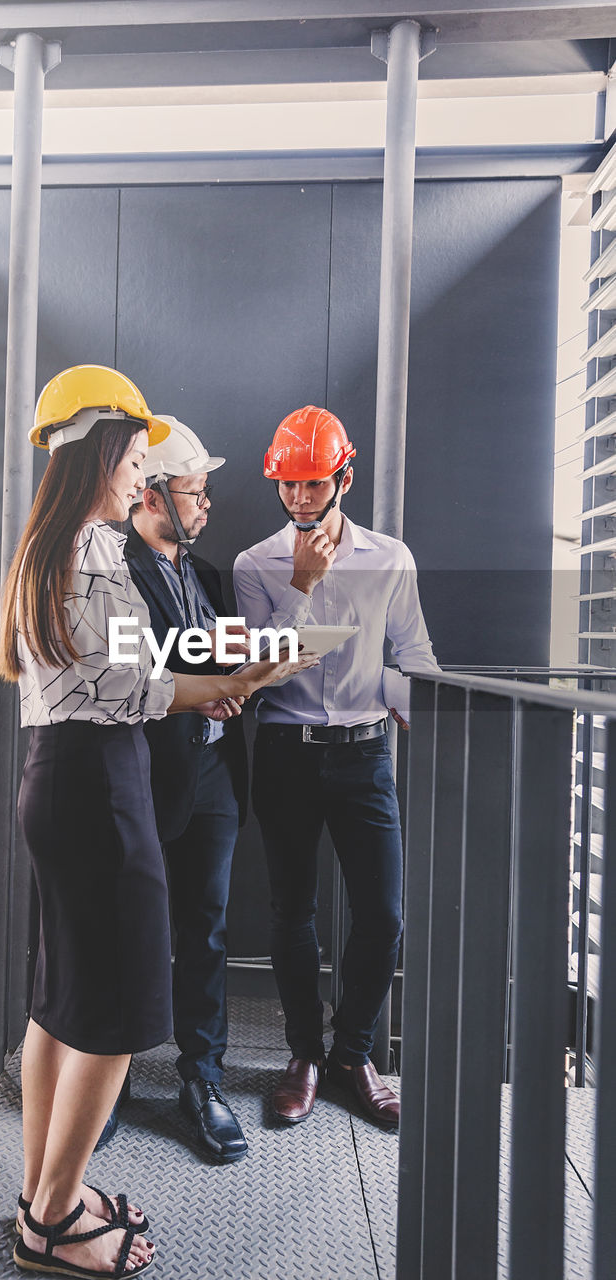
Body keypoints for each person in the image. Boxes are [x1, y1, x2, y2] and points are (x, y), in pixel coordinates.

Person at [0, 365, 316, 1278]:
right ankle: (54, 1223)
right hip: (99, 786)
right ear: (101, 448)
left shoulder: (47, 545)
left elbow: (131, 667)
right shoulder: (95, 549)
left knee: (61, 1005)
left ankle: (41, 1196)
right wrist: (255, 674)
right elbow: (146, 683)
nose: (144, 477)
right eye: (138, 458)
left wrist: (230, 668)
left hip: (62, 778)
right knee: (112, 1016)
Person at [233, 405, 439, 1129]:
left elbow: (412, 653)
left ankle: (352, 1054)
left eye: (312, 483)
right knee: (292, 912)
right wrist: (299, 584)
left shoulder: (390, 558)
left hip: (362, 755)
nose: (298, 498)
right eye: (286, 485)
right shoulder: (254, 564)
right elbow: (256, 667)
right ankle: (302, 1057)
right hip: (287, 753)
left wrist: (407, 698)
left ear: (342, 477)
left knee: (382, 915)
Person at [124, 416, 250, 1163]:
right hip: (142, 774)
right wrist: (195, 686)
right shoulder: (111, 569)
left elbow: (212, 656)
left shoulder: (205, 577)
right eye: (193, 492)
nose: (205, 507)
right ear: (150, 494)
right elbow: (121, 664)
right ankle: (108, 1084)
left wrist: (246, 677)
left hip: (213, 774)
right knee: (128, 932)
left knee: (204, 928)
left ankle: (201, 1079)